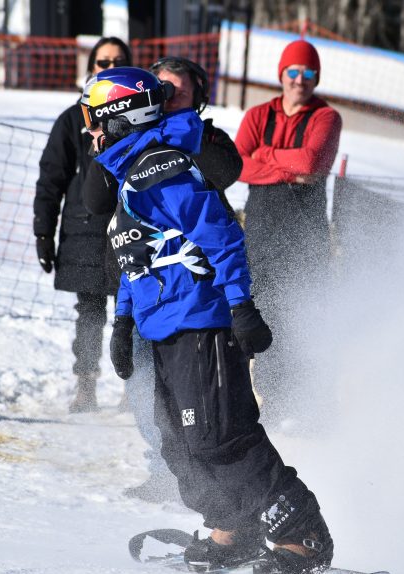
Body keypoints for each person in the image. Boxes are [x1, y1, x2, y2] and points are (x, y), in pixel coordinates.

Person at [81, 66, 334, 574]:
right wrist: (123, 325)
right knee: (179, 442)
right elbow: (137, 257)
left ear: (118, 118)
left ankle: (302, 536)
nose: (88, 132)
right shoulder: (131, 173)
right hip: (163, 327)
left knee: (222, 435)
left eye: (93, 120)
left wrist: (242, 306)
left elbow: (222, 236)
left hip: (201, 322)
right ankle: (232, 529)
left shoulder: (161, 168)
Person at [114, 55, 244, 502]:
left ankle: (219, 492)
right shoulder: (129, 148)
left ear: (199, 96)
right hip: (143, 284)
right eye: (158, 90)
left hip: (193, 294)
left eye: (176, 90)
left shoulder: (202, 139)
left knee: (206, 406)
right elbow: (96, 201)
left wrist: (181, 129)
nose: (165, 97)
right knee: (149, 390)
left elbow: (227, 172)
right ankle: (169, 471)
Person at [234, 39, 342, 424]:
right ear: (281, 74)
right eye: (293, 72)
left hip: (304, 238)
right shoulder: (258, 115)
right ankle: (267, 400)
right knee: (261, 314)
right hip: (261, 232)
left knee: (300, 316)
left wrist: (265, 156)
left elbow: (313, 163)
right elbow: (237, 165)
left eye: (308, 73)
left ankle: (301, 403)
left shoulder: (326, 118)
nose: (300, 80)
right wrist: (286, 168)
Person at [33, 36, 130, 413]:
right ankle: (86, 387)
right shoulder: (74, 119)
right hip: (85, 229)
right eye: (102, 62)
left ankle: (131, 390)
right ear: (91, 67)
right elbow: (51, 178)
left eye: (117, 62)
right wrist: (44, 230)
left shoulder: (142, 115)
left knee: (133, 314)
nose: (108, 68)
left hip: (128, 226)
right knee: (89, 315)